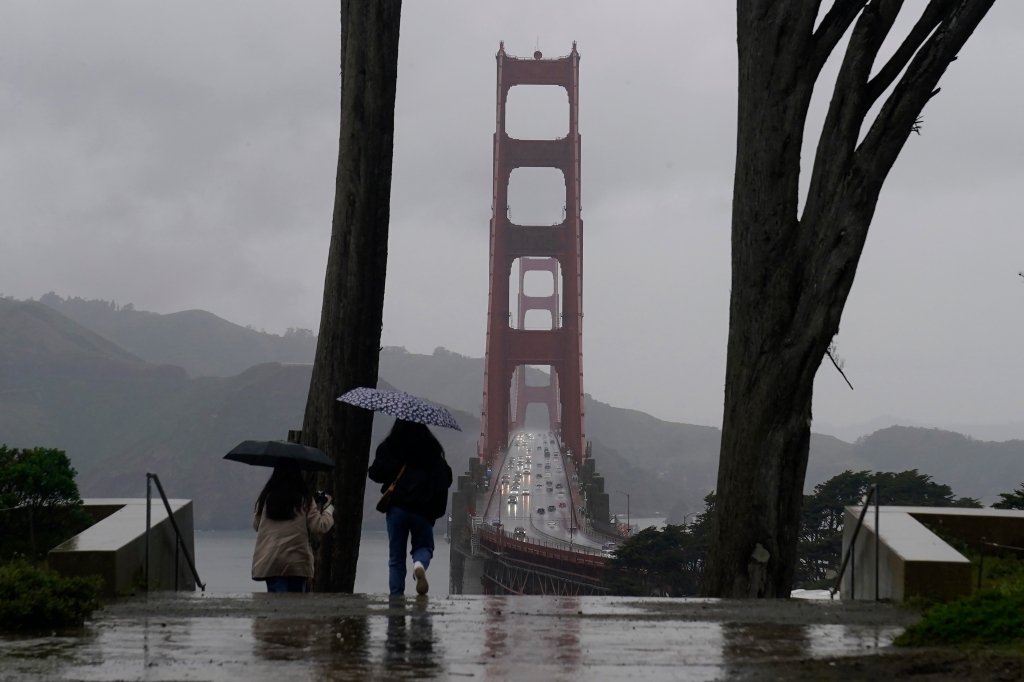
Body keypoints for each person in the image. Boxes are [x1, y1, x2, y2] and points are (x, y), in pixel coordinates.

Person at [368, 419, 453, 596]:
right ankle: (419, 565)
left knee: (396, 559)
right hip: (423, 510)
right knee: (424, 547)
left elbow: (376, 473)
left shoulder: (392, 445)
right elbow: (447, 478)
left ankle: (396, 597)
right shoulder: (431, 449)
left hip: (397, 508)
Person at [251, 464, 334, 593]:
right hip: (297, 561)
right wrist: (329, 508)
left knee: (276, 605)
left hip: (272, 561)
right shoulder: (305, 499)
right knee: (297, 605)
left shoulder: (266, 498)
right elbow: (319, 526)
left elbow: (256, 526)